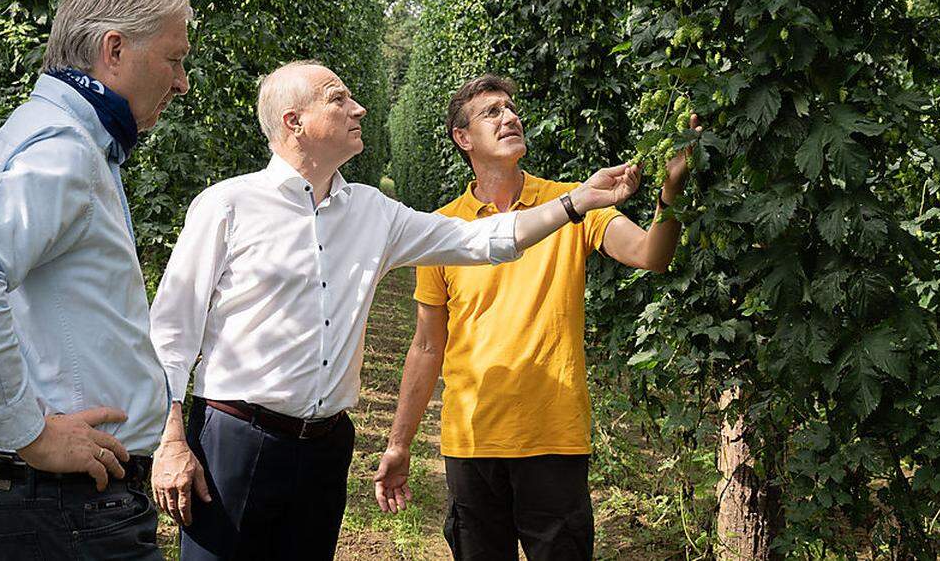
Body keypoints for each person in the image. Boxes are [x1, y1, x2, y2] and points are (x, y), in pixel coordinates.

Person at [147, 60, 643, 560]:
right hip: (237, 441)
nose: (358, 108)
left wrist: (577, 201)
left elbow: (480, 239)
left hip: (325, 448)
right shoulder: (227, 206)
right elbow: (172, 329)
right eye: (338, 98)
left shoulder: (372, 212)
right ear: (294, 121)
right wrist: (170, 439)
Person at [0, 0, 192, 560]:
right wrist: (28, 433)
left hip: (68, 506)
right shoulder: (64, 148)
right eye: (174, 58)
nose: (182, 81)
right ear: (114, 49)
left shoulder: (53, 134)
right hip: (72, 510)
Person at [373, 74, 701, 560]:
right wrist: (399, 443)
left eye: (511, 108)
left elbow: (651, 254)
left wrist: (671, 189)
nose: (510, 117)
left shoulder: (576, 202)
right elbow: (426, 346)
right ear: (462, 139)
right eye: (491, 112)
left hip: (553, 436)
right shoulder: (442, 231)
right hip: (471, 440)